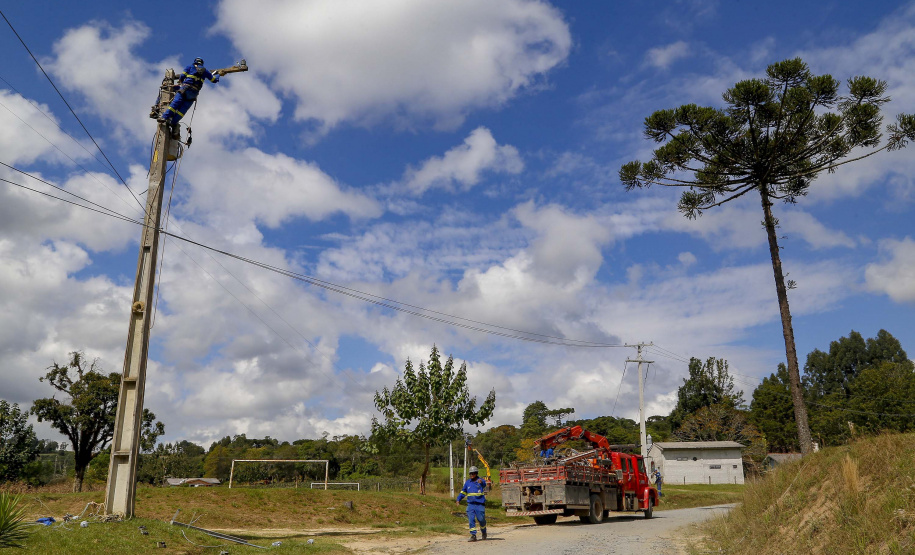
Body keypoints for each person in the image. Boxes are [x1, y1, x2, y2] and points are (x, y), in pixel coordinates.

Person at [154, 57, 219, 127]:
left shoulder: (190, 67)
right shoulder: (205, 71)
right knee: (182, 111)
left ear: (195, 62)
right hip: (193, 94)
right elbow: (214, 80)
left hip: (185, 89)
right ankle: (173, 123)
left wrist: (181, 81)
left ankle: (164, 117)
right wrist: (217, 74)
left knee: (175, 104)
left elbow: (182, 76)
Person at [456, 466, 487, 542]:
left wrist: (481, 482)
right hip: (471, 505)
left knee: (481, 519)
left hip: (480, 504)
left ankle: (484, 532)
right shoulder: (467, 483)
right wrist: (458, 499)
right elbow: (463, 492)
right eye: (470, 474)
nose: (471, 475)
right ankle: (473, 535)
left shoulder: (480, 481)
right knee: (471, 519)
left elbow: (484, 484)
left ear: (476, 473)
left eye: (473, 474)